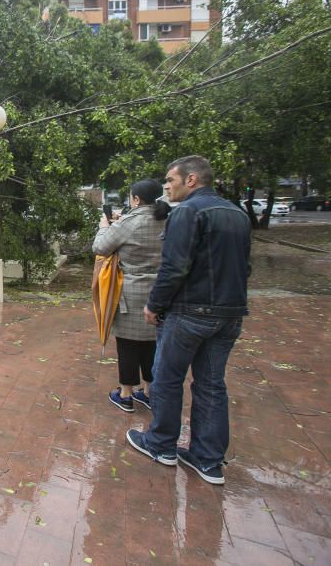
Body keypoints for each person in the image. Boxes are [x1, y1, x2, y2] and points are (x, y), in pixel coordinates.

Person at [125, 155, 251, 485]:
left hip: (189, 313)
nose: (166, 186)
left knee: (166, 378)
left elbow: (174, 267)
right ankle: (208, 460)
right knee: (211, 384)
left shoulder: (188, 214)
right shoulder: (238, 214)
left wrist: (154, 305)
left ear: (191, 179)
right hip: (230, 314)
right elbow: (244, 267)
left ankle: (161, 444)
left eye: (171, 180)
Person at [93, 179, 170, 413]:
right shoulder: (168, 220)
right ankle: (148, 391)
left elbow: (100, 247)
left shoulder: (130, 221)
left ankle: (125, 394)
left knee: (127, 344)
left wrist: (105, 225)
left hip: (131, 291)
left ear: (136, 199)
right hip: (160, 290)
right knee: (152, 343)